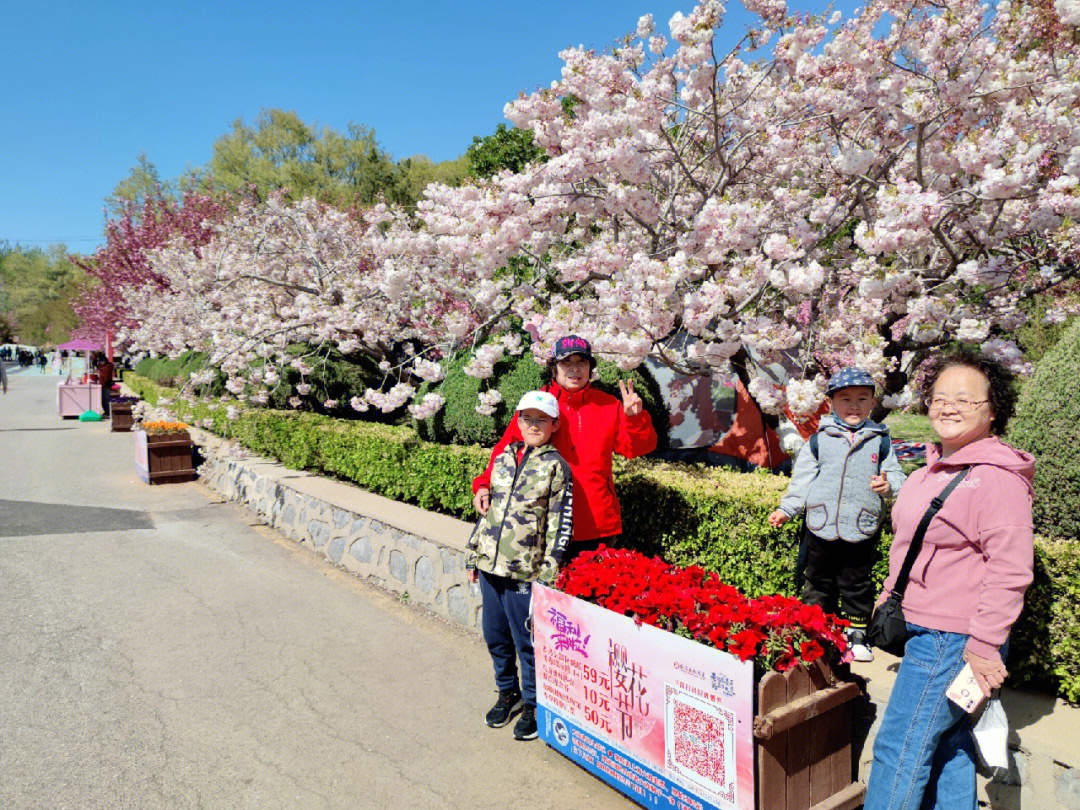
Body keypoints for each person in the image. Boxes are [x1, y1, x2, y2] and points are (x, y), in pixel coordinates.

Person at [863, 350, 1034, 810]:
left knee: (898, 748)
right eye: (939, 397)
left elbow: (1010, 570)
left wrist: (983, 646)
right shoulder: (931, 468)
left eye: (964, 398)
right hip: (928, 631)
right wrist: (886, 598)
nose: (948, 406)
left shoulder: (997, 479)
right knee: (947, 745)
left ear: (993, 410)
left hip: (952, 641)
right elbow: (907, 545)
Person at [472, 335, 657, 560]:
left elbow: (636, 449)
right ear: (554, 368)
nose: (574, 369)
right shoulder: (537, 404)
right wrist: (483, 485)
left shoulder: (609, 405)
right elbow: (506, 449)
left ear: (590, 368)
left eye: (582, 362)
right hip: (540, 521)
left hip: (595, 523)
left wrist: (634, 418)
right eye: (566, 363)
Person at [768, 367, 906, 662]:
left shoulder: (880, 440)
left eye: (861, 399)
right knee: (817, 581)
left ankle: (858, 634)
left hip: (861, 526)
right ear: (831, 403)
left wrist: (889, 485)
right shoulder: (819, 440)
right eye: (845, 399)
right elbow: (802, 480)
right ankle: (815, 628)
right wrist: (787, 509)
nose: (853, 406)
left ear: (872, 403)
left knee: (857, 584)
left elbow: (896, 475)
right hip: (821, 524)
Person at [466, 390, 574, 742]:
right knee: (495, 636)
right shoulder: (503, 458)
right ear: (518, 421)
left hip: (523, 573)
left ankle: (532, 703)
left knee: (526, 642)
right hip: (489, 566)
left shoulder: (557, 466)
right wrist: (474, 553)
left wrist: (549, 572)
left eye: (540, 419)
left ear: (554, 425)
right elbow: (489, 514)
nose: (532, 425)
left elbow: (561, 524)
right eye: (526, 418)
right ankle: (507, 691)